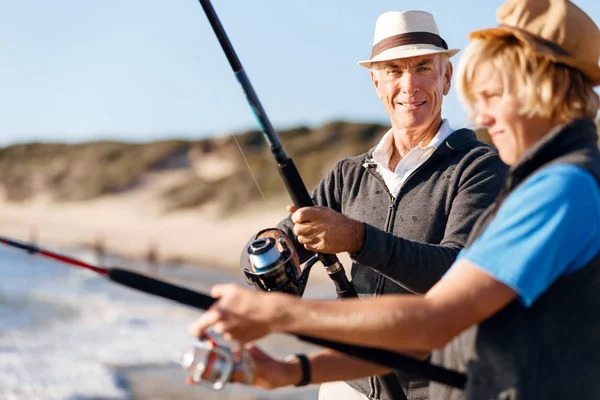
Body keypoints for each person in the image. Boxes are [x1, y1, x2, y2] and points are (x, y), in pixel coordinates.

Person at [189, 0, 600, 398]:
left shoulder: (559, 187)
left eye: (493, 95)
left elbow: (435, 320)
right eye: (394, 71)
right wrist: (291, 370)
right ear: (376, 81)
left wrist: (280, 315)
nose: (481, 116)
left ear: (542, 89)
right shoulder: (536, 184)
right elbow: (426, 334)